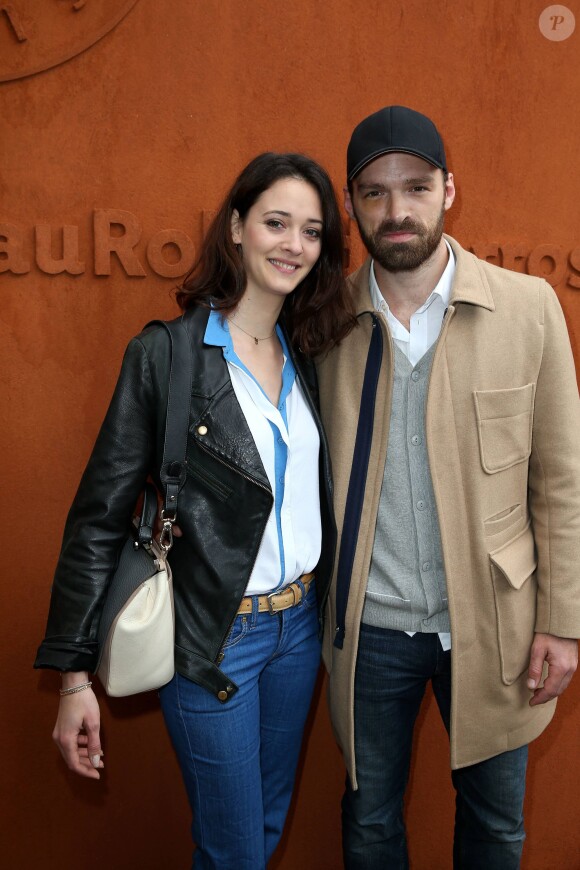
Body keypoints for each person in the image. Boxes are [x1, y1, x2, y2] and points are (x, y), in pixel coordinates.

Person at [34, 152, 355, 869]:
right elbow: (98, 518)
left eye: (310, 230)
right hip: (214, 640)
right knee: (234, 849)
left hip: (299, 633)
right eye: (276, 222)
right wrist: (73, 678)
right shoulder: (166, 357)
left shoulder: (309, 354)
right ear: (237, 227)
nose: (293, 245)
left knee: (263, 831)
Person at [316, 106, 580, 868]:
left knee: (496, 828)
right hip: (369, 631)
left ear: (448, 190)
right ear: (352, 204)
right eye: (374, 192)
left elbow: (561, 480)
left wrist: (562, 620)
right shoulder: (326, 320)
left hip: (495, 625)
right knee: (369, 825)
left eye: (416, 187)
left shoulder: (528, 310)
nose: (397, 210)